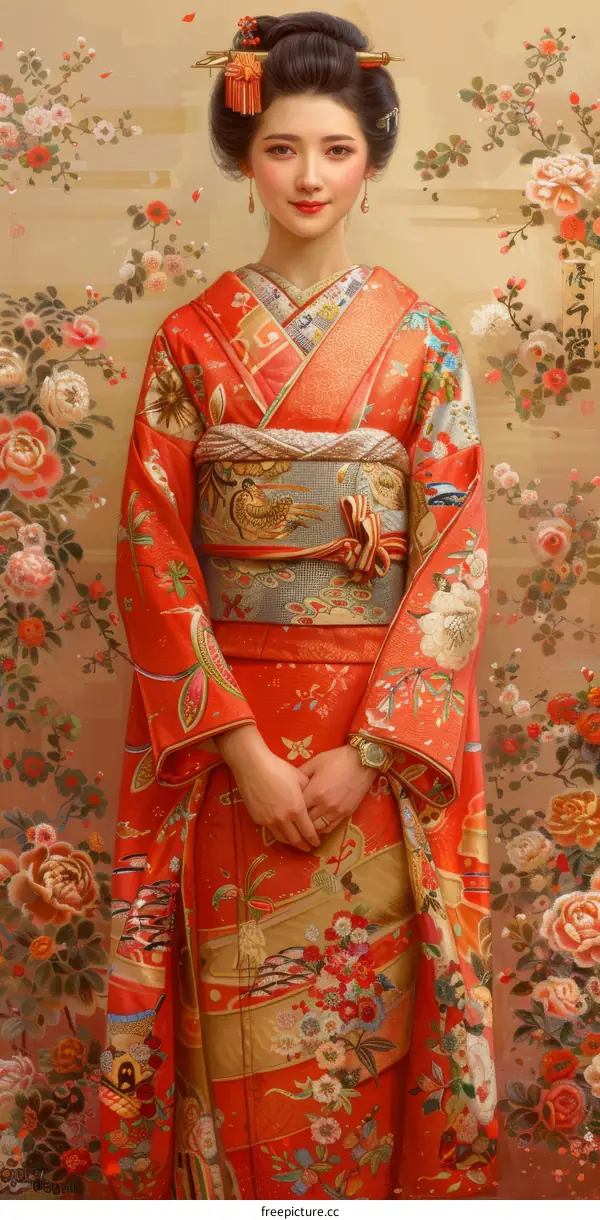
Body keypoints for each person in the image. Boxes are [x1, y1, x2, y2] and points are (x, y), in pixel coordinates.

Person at [100, 12, 496, 1201]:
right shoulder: (190, 341)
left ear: (370, 155)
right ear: (243, 156)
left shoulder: (420, 342)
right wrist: (239, 746)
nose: (307, 176)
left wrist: (372, 750)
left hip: (372, 740)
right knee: (231, 1018)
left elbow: (455, 559)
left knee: (368, 1023)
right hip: (234, 736)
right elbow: (152, 552)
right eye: (281, 148)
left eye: (333, 148)